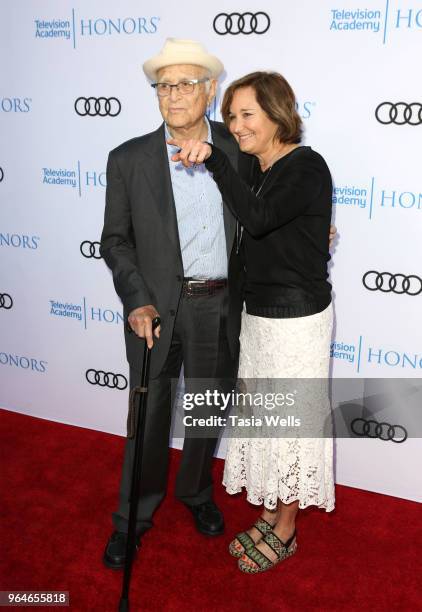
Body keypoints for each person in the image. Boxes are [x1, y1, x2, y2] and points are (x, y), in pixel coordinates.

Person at [169, 71, 335, 574]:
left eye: (247, 115)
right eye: (232, 116)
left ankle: (285, 529)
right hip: (258, 317)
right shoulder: (260, 168)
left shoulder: (305, 166)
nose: (236, 126)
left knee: (290, 425)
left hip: (296, 321)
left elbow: (260, 220)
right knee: (266, 423)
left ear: (277, 114)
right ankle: (270, 508)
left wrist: (218, 162)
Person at [100, 38, 246, 569]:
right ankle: (132, 519)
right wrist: (137, 300)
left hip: (219, 306)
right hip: (154, 312)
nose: (174, 95)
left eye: (187, 84)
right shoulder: (129, 158)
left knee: (206, 410)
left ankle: (196, 494)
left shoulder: (238, 149)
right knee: (149, 414)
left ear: (210, 91)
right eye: (164, 85)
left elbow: (264, 215)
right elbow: (114, 240)